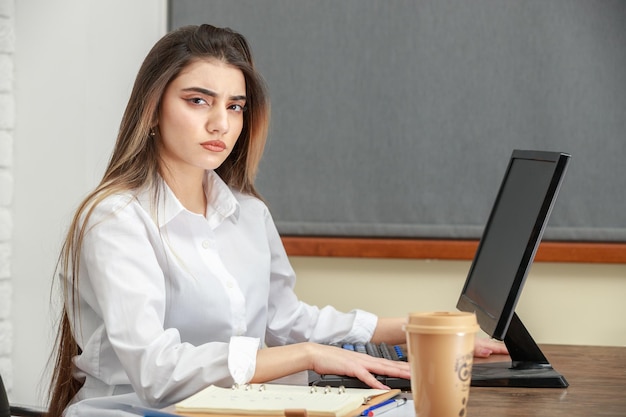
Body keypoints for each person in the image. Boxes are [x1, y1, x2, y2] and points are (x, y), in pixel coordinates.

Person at [46, 24, 506, 417]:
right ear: (153, 107)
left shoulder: (247, 213)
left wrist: (404, 330)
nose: (220, 125)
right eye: (198, 101)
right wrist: (307, 356)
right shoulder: (116, 219)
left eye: (234, 106)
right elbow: (156, 372)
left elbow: (284, 319)